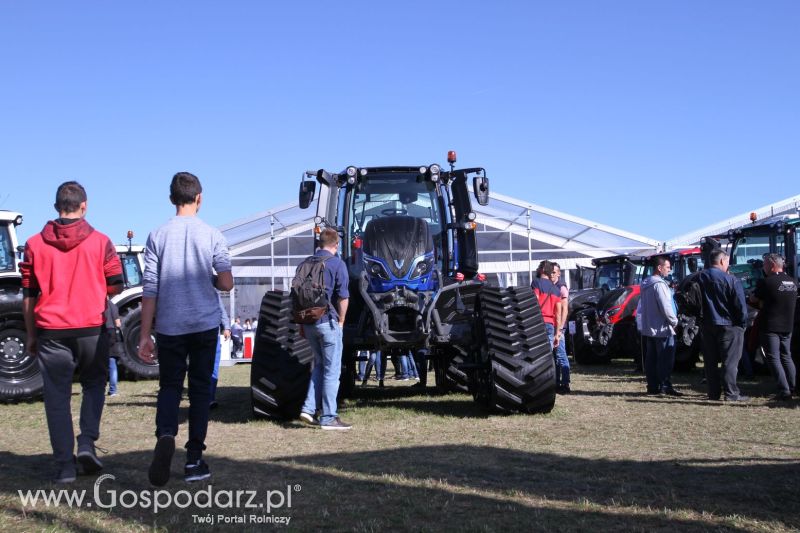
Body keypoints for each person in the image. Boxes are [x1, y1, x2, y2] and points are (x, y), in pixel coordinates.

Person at [20, 181, 123, 483]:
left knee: (56, 398)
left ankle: (65, 466)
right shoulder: (101, 242)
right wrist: (92, 288)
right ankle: (87, 442)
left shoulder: (34, 245)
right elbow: (116, 282)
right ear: (84, 205)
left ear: (56, 208)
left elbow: (28, 294)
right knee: (94, 385)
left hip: (51, 331)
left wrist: (30, 335)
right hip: (91, 327)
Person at [139, 172, 233, 486]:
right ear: (199, 198)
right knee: (201, 391)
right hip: (204, 323)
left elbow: (149, 288)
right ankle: (194, 459)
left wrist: (143, 334)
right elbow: (226, 282)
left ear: (171, 199)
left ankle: (166, 434)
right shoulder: (212, 234)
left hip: (169, 325)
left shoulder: (157, 235)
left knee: (169, 386)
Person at [298, 227, 350, 430]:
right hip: (328, 321)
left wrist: (302, 324)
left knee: (319, 366)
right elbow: (343, 297)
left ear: (320, 243)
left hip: (309, 323)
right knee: (331, 370)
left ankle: (308, 408)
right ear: (336, 244)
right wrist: (342, 321)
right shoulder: (337, 264)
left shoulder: (305, 263)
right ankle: (328, 417)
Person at [696, 249, 749, 401]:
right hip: (729, 325)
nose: (728, 265)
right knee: (730, 361)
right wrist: (742, 324)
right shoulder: (731, 279)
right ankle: (731, 392)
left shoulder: (699, 278)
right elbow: (740, 305)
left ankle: (713, 393)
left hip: (706, 324)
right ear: (721, 261)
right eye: (727, 262)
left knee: (710, 361)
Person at [750, 253, 797, 401]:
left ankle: (784, 390)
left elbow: (753, 299)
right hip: (788, 325)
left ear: (771, 265)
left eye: (764, 264)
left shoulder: (766, 282)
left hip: (770, 325)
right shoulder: (793, 282)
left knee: (773, 358)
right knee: (786, 356)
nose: (763, 267)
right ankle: (793, 386)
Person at [637, 256, 681, 396]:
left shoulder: (645, 284)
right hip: (662, 328)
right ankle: (665, 386)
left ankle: (653, 386)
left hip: (649, 327)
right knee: (665, 359)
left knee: (652, 359)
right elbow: (665, 307)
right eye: (667, 267)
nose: (669, 270)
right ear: (659, 268)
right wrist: (674, 322)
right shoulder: (659, 285)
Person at [531, 261, 563, 350]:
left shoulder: (536, 282)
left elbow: (535, 301)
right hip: (550, 325)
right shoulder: (557, 290)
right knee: (548, 355)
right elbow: (558, 314)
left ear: (543, 269)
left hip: (538, 323)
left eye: (539, 267)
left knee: (536, 352)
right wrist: (557, 334)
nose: (537, 269)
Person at [549, 263, 571, 394]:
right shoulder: (551, 287)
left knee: (561, 356)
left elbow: (564, 310)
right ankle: (557, 382)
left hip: (559, 327)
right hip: (553, 325)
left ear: (559, 273)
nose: (552, 274)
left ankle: (566, 383)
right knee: (555, 356)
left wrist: (560, 329)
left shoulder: (561, 288)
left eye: (554, 272)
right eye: (550, 272)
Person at [210, 295, 231, 409]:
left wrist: (226, 327)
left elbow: (220, 307)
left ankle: (210, 398)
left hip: (212, 333)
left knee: (213, 367)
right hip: (194, 334)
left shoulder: (211, 283)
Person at [105, 299, 122, 397]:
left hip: (100, 331)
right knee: (112, 363)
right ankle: (113, 390)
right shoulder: (112, 305)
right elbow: (118, 323)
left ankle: (98, 387)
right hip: (111, 332)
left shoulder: (96, 303)